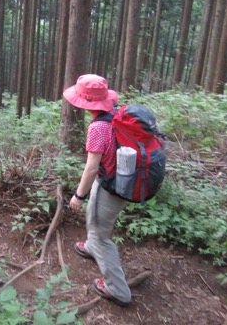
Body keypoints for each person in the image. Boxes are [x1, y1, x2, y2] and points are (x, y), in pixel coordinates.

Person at [63, 74, 132, 307]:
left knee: (101, 236)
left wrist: (78, 196)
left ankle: (118, 290)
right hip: (123, 181)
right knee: (97, 224)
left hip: (110, 187)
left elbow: (92, 167)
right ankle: (92, 246)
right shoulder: (116, 115)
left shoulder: (98, 127)